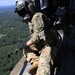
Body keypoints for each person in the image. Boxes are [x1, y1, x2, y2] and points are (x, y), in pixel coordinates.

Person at [15, 0, 61, 75]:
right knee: (26, 49)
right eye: (21, 12)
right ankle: (36, 62)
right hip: (42, 43)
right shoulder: (31, 21)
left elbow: (36, 37)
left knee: (44, 62)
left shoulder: (37, 16)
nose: (23, 14)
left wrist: (26, 44)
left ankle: (41, 68)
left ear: (29, 8)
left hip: (51, 44)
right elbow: (34, 37)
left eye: (24, 11)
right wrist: (26, 46)